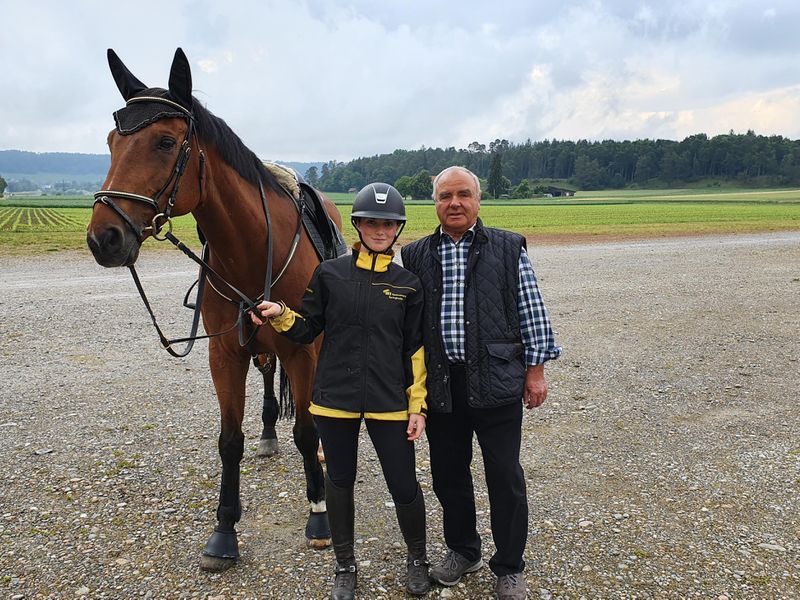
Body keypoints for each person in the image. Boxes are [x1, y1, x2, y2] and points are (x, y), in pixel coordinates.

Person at [251, 183, 430, 599]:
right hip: (335, 401)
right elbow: (308, 327)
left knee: (403, 483)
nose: (380, 230)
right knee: (340, 480)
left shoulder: (409, 284)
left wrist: (417, 405)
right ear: (358, 226)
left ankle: (417, 558)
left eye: (388, 224)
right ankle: (345, 566)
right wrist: (280, 314)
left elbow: (415, 349)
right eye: (372, 222)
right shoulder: (330, 274)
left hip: (390, 402)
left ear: (397, 228)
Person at [400, 166, 561, 600]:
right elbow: (408, 326)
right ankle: (463, 550)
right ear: (434, 203)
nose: (454, 203)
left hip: (496, 381)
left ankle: (509, 566)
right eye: (445, 196)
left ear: (478, 200)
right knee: (448, 475)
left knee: (504, 475)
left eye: (463, 195)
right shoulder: (414, 255)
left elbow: (531, 310)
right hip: (442, 386)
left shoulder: (508, 249)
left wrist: (536, 369)